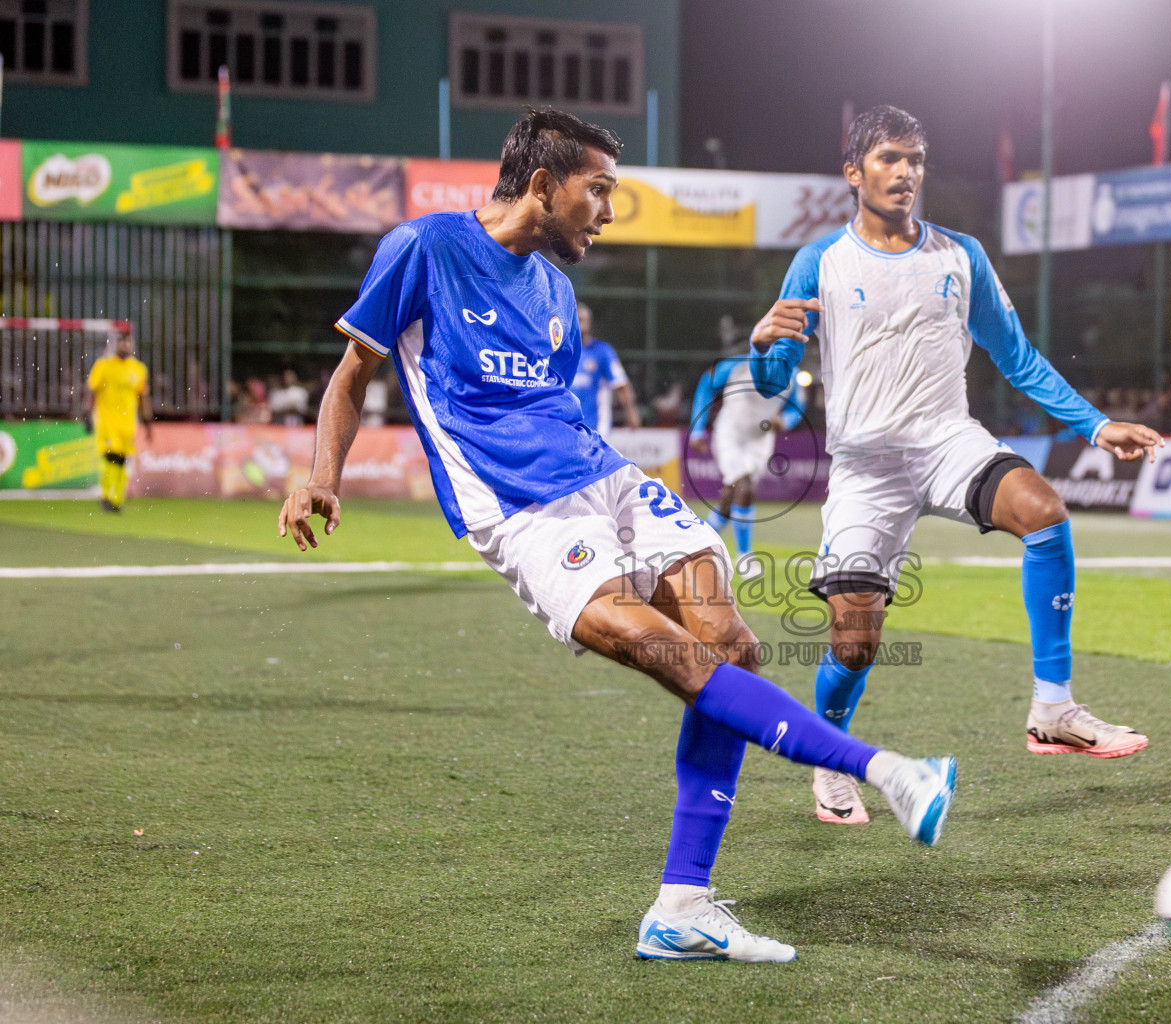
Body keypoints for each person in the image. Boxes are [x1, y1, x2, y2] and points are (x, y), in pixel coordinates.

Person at [277, 108, 956, 964]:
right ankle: (886, 770)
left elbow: (557, 410)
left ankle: (682, 906)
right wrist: (321, 476)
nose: (606, 211)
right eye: (597, 191)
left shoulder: (557, 291)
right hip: (520, 509)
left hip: (609, 481)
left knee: (731, 649)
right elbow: (352, 375)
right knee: (675, 657)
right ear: (539, 185)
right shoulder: (423, 249)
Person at [750, 106, 1162, 826]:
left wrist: (1096, 426)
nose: (905, 171)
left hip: (948, 443)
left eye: (914, 159)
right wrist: (763, 345)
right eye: (888, 158)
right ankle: (829, 758)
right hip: (865, 467)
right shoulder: (819, 262)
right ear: (854, 172)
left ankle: (1053, 708)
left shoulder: (960, 255)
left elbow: (1018, 357)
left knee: (1044, 511)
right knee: (855, 640)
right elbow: (774, 380)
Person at [688, 351, 804, 570]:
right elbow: (706, 385)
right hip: (730, 434)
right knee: (744, 487)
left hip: (760, 439)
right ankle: (745, 556)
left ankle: (697, 542)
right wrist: (697, 429)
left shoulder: (792, 374)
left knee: (731, 496)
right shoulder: (737, 365)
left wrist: (785, 420)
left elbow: (797, 407)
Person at [83, 333, 152, 513]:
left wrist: (148, 423)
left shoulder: (138, 369)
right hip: (107, 421)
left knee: (122, 460)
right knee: (110, 456)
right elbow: (92, 390)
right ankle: (106, 496)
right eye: (121, 342)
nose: (125, 346)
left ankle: (116, 498)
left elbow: (142, 397)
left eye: (128, 342)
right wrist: (87, 414)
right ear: (115, 345)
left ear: (132, 345)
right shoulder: (103, 366)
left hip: (128, 424)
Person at [568, 303, 641, 436]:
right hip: (568, 427)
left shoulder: (602, 351)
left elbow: (621, 384)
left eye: (582, 319)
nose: (580, 324)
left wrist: (631, 411)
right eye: (576, 320)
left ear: (590, 323)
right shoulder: (565, 352)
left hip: (596, 428)